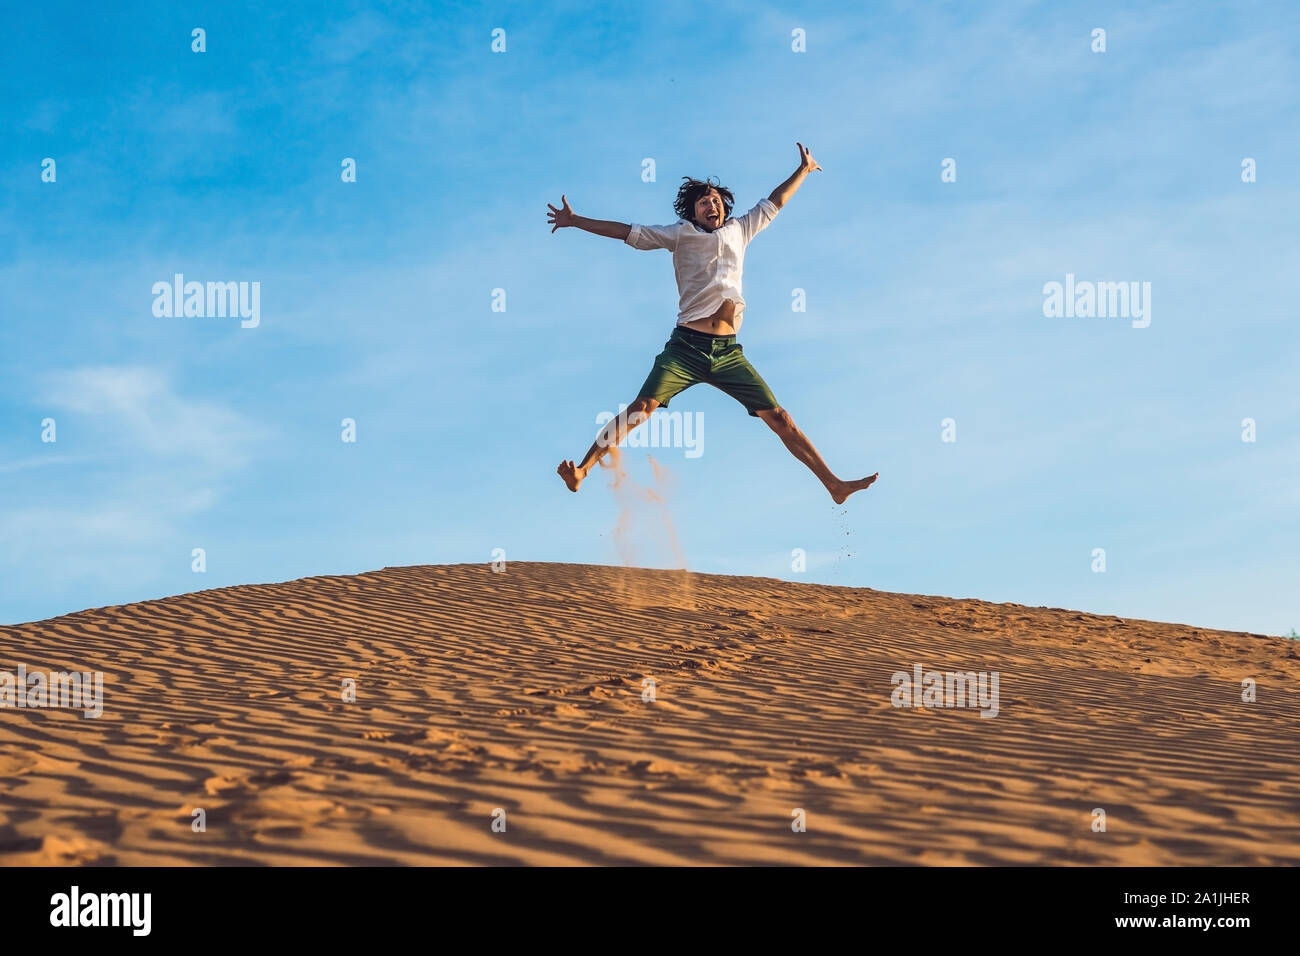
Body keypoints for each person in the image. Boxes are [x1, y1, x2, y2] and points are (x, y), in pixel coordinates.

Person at [550, 142, 878, 504]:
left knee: (781, 417)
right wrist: (575, 220)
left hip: (727, 353)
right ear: (692, 210)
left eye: (716, 200)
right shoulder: (678, 234)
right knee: (641, 408)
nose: (712, 205)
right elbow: (626, 231)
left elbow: (777, 201)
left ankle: (834, 484)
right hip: (686, 347)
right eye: (704, 201)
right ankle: (581, 471)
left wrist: (803, 169)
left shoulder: (741, 229)